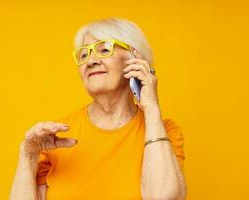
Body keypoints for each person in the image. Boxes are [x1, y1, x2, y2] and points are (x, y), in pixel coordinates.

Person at [10, 17, 187, 200]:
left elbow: (163, 197)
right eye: (84, 54)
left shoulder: (163, 131)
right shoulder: (55, 136)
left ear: (135, 58)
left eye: (104, 49)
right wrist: (28, 156)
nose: (91, 61)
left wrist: (151, 108)